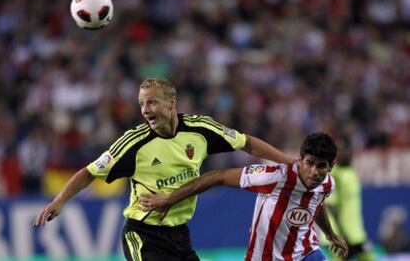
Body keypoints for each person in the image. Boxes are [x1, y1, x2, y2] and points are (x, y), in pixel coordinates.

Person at [33, 77, 296, 261]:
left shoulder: (200, 129)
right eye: (142, 104)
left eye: (152, 102)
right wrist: (59, 201)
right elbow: (89, 172)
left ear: (172, 102)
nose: (146, 110)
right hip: (143, 235)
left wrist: (287, 162)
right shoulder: (134, 144)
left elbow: (247, 143)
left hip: (180, 235)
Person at [140, 132, 349, 261]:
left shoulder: (327, 184)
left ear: (330, 167)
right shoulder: (277, 176)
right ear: (300, 159)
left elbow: (316, 204)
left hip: (306, 253)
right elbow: (218, 176)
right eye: (309, 163)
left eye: (321, 166)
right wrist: (170, 198)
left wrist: (330, 234)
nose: (314, 171)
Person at [321, 137, 375, 261]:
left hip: (357, 234)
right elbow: (331, 207)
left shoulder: (352, 172)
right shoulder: (335, 175)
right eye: (340, 150)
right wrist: (340, 236)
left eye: (346, 149)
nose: (344, 153)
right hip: (340, 235)